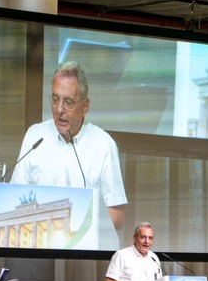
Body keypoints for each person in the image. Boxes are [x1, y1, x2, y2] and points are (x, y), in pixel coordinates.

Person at [11, 60, 126, 232]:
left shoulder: (103, 145)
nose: (59, 110)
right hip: (38, 243)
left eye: (68, 102)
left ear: (85, 106)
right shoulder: (35, 136)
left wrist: (70, 222)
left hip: (83, 250)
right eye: (55, 99)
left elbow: (117, 217)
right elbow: (14, 198)